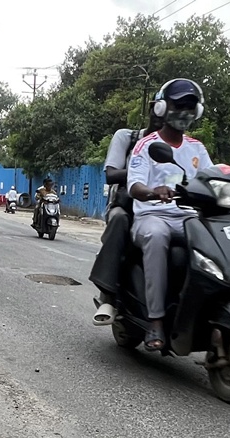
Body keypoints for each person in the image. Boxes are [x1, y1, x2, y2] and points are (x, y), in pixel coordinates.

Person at [128, 78, 214, 349]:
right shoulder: (147, 145)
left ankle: (205, 310)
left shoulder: (197, 148)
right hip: (151, 217)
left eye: (191, 106)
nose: (185, 112)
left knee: (214, 237)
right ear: (163, 108)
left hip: (187, 216)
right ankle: (155, 320)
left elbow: (211, 178)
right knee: (156, 235)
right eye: (179, 105)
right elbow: (135, 185)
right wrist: (155, 191)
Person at [91, 126, 140, 325]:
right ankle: (108, 295)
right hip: (128, 205)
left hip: (167, 210)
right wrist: (145, 173)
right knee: (119, 219)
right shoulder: (129, 138)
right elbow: (111, 174)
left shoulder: (188, 146)